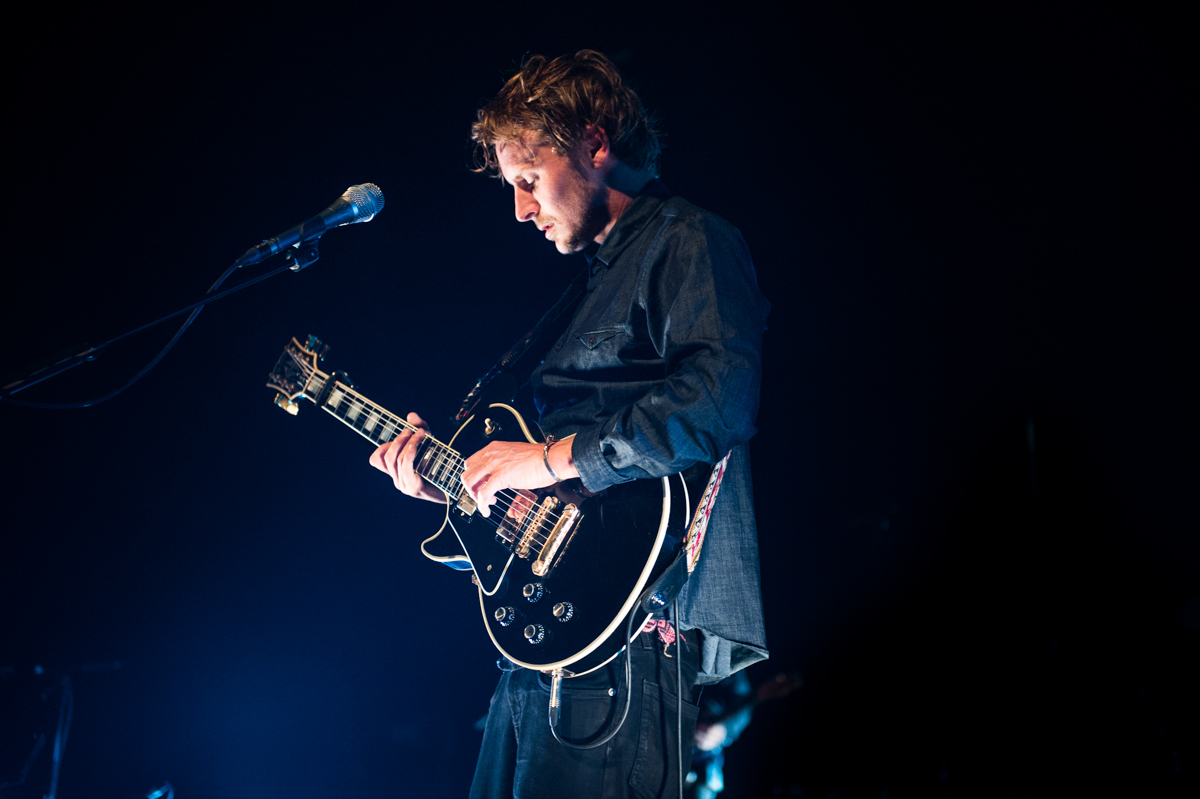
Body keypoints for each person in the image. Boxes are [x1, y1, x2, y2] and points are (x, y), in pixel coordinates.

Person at [369, 50, 769, 799]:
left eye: (528, 179)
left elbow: (720, 400)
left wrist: (545, 458)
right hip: (544, 647)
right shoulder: (584, 289)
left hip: (630, 650)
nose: (520, 208)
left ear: (593, 144)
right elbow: (557, 514)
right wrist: (463, 493)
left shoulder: (690, 239)